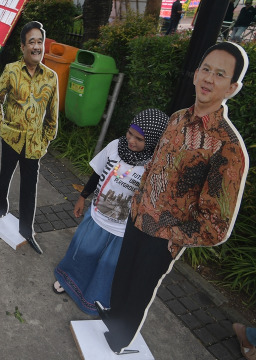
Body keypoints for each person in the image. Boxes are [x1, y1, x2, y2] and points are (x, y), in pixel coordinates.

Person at [98, 42, 249, 354]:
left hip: (165, 234)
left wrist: (175, 238)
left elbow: (216, 224)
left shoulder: (228, 146)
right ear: (195, 75)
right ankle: (112, 317)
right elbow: (155, 165)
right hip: (138, 216)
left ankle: (120, 340)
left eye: (220, 74)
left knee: (140, 289)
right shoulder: (177, 117)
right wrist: (136, 202)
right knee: (122, 274)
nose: (209, 78)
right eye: (206, 69)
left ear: (232, 86)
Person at [53, 109, 168, 315]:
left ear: (152, 141)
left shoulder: (154, 165)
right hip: (97, 216)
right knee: (84, 250)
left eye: (139, 139)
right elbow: (96, 174)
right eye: (130, 134)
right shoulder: (115, 147)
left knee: (108, 264)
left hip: (123, 229)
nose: (131, 141)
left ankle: (95, 298)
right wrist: (82, 197)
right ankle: (69, 281)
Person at [0, 21, 58, 254]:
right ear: (23, 46)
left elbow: (52, 115)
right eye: (32, 42)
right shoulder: (11, 70)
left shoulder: (51, 77)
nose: (37, 46)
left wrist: (46, 140)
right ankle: (1, 209)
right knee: (5, 177)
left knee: (30, 188)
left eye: (40, 42)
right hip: (11, 138)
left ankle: (26, 231)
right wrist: (2, 126)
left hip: (34, 144)